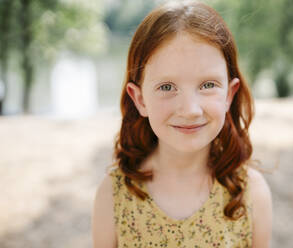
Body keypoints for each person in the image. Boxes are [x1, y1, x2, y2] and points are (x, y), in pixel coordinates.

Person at [92, 1, 272, 247]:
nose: (190, 110)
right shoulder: (113, 195)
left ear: (229, 94)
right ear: (140, 99)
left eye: (208, 85)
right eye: (167, 87)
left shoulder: (251, 192)